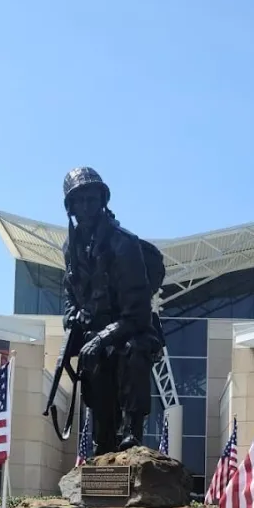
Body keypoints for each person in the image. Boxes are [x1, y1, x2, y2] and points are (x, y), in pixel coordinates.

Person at [61, 167, 161, 453]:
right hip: (94, 332)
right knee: (94, 366)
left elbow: (138, 313)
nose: (86, 207)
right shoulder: (71, 247)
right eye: (78, 201)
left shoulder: (123, 243)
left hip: (130, 330)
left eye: (91, 199)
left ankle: (131, 433)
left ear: (102, 200)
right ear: (70, 207)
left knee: (131, 351)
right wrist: (71, 316)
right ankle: (103, 442)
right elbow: (69, 290)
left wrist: (101, 339)